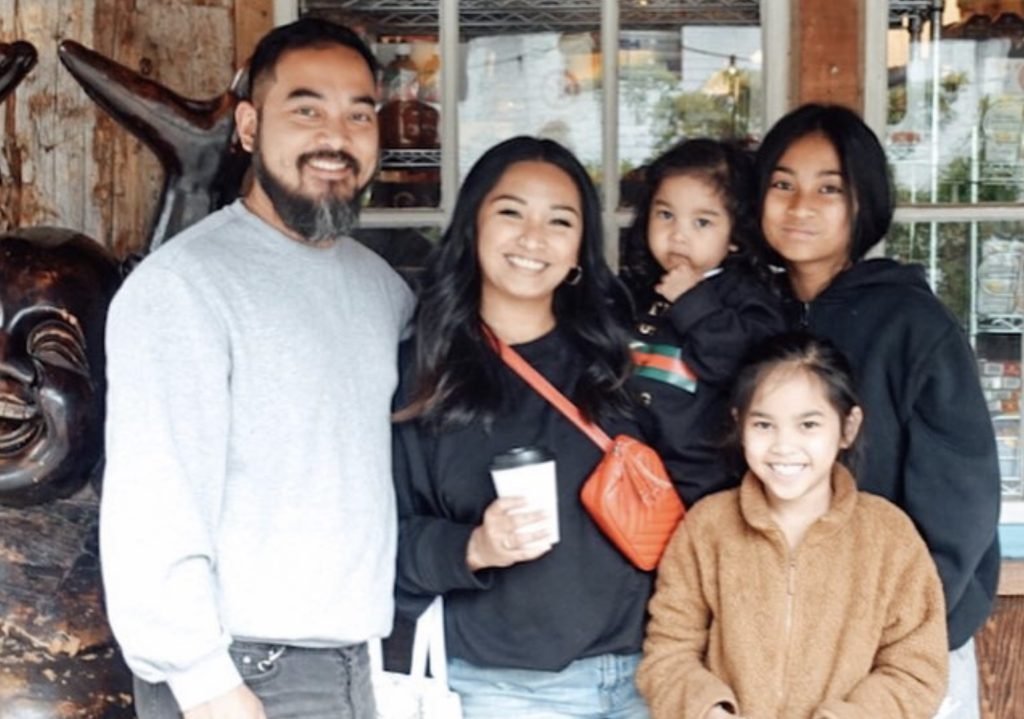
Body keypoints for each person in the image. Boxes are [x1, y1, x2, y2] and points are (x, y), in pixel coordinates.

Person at [100, 19, 414, 719]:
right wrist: (206, 684)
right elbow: (153, 505)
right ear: (248, 126)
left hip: (349, 664)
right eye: (307, 111)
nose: (336, 137)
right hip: (239, 674)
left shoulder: (379, 289)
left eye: (359, 115)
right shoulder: (184, 286)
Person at [752, 103, 1001, 718]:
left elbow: (961, 505)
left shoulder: (912, 324)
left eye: (828, 188)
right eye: (782, 184)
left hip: (904, 651)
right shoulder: (748, 319)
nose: (800, 206)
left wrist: (894, 631)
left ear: (865, 201)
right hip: (779, 650)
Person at [393, 136, 651, 718]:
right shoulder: (422, 373)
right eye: (511, 212)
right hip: (503, 689)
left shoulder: (620, 359)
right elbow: (383, 541)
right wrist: (474, 547)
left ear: (580, 248)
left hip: (644, 679)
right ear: (473, 225)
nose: (534, 238)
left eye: (560, 221)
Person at [638, 331, 949, 719]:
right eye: (764, 425)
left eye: (808, 425)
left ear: (848, 427)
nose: (783, 446)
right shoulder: (707, 527)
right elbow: (669, 651)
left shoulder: (889, 536)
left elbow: (916, 669)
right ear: (739, 423)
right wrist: (708, 710)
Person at [620, 139, 784, 506]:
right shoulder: (636, 290)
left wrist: (692, 302)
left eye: (702, 222)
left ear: (735, 237)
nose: (678, 235)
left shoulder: (747, 296)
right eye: (666, 215)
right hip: (630, 478)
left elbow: (740, 368)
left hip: (704, 486)